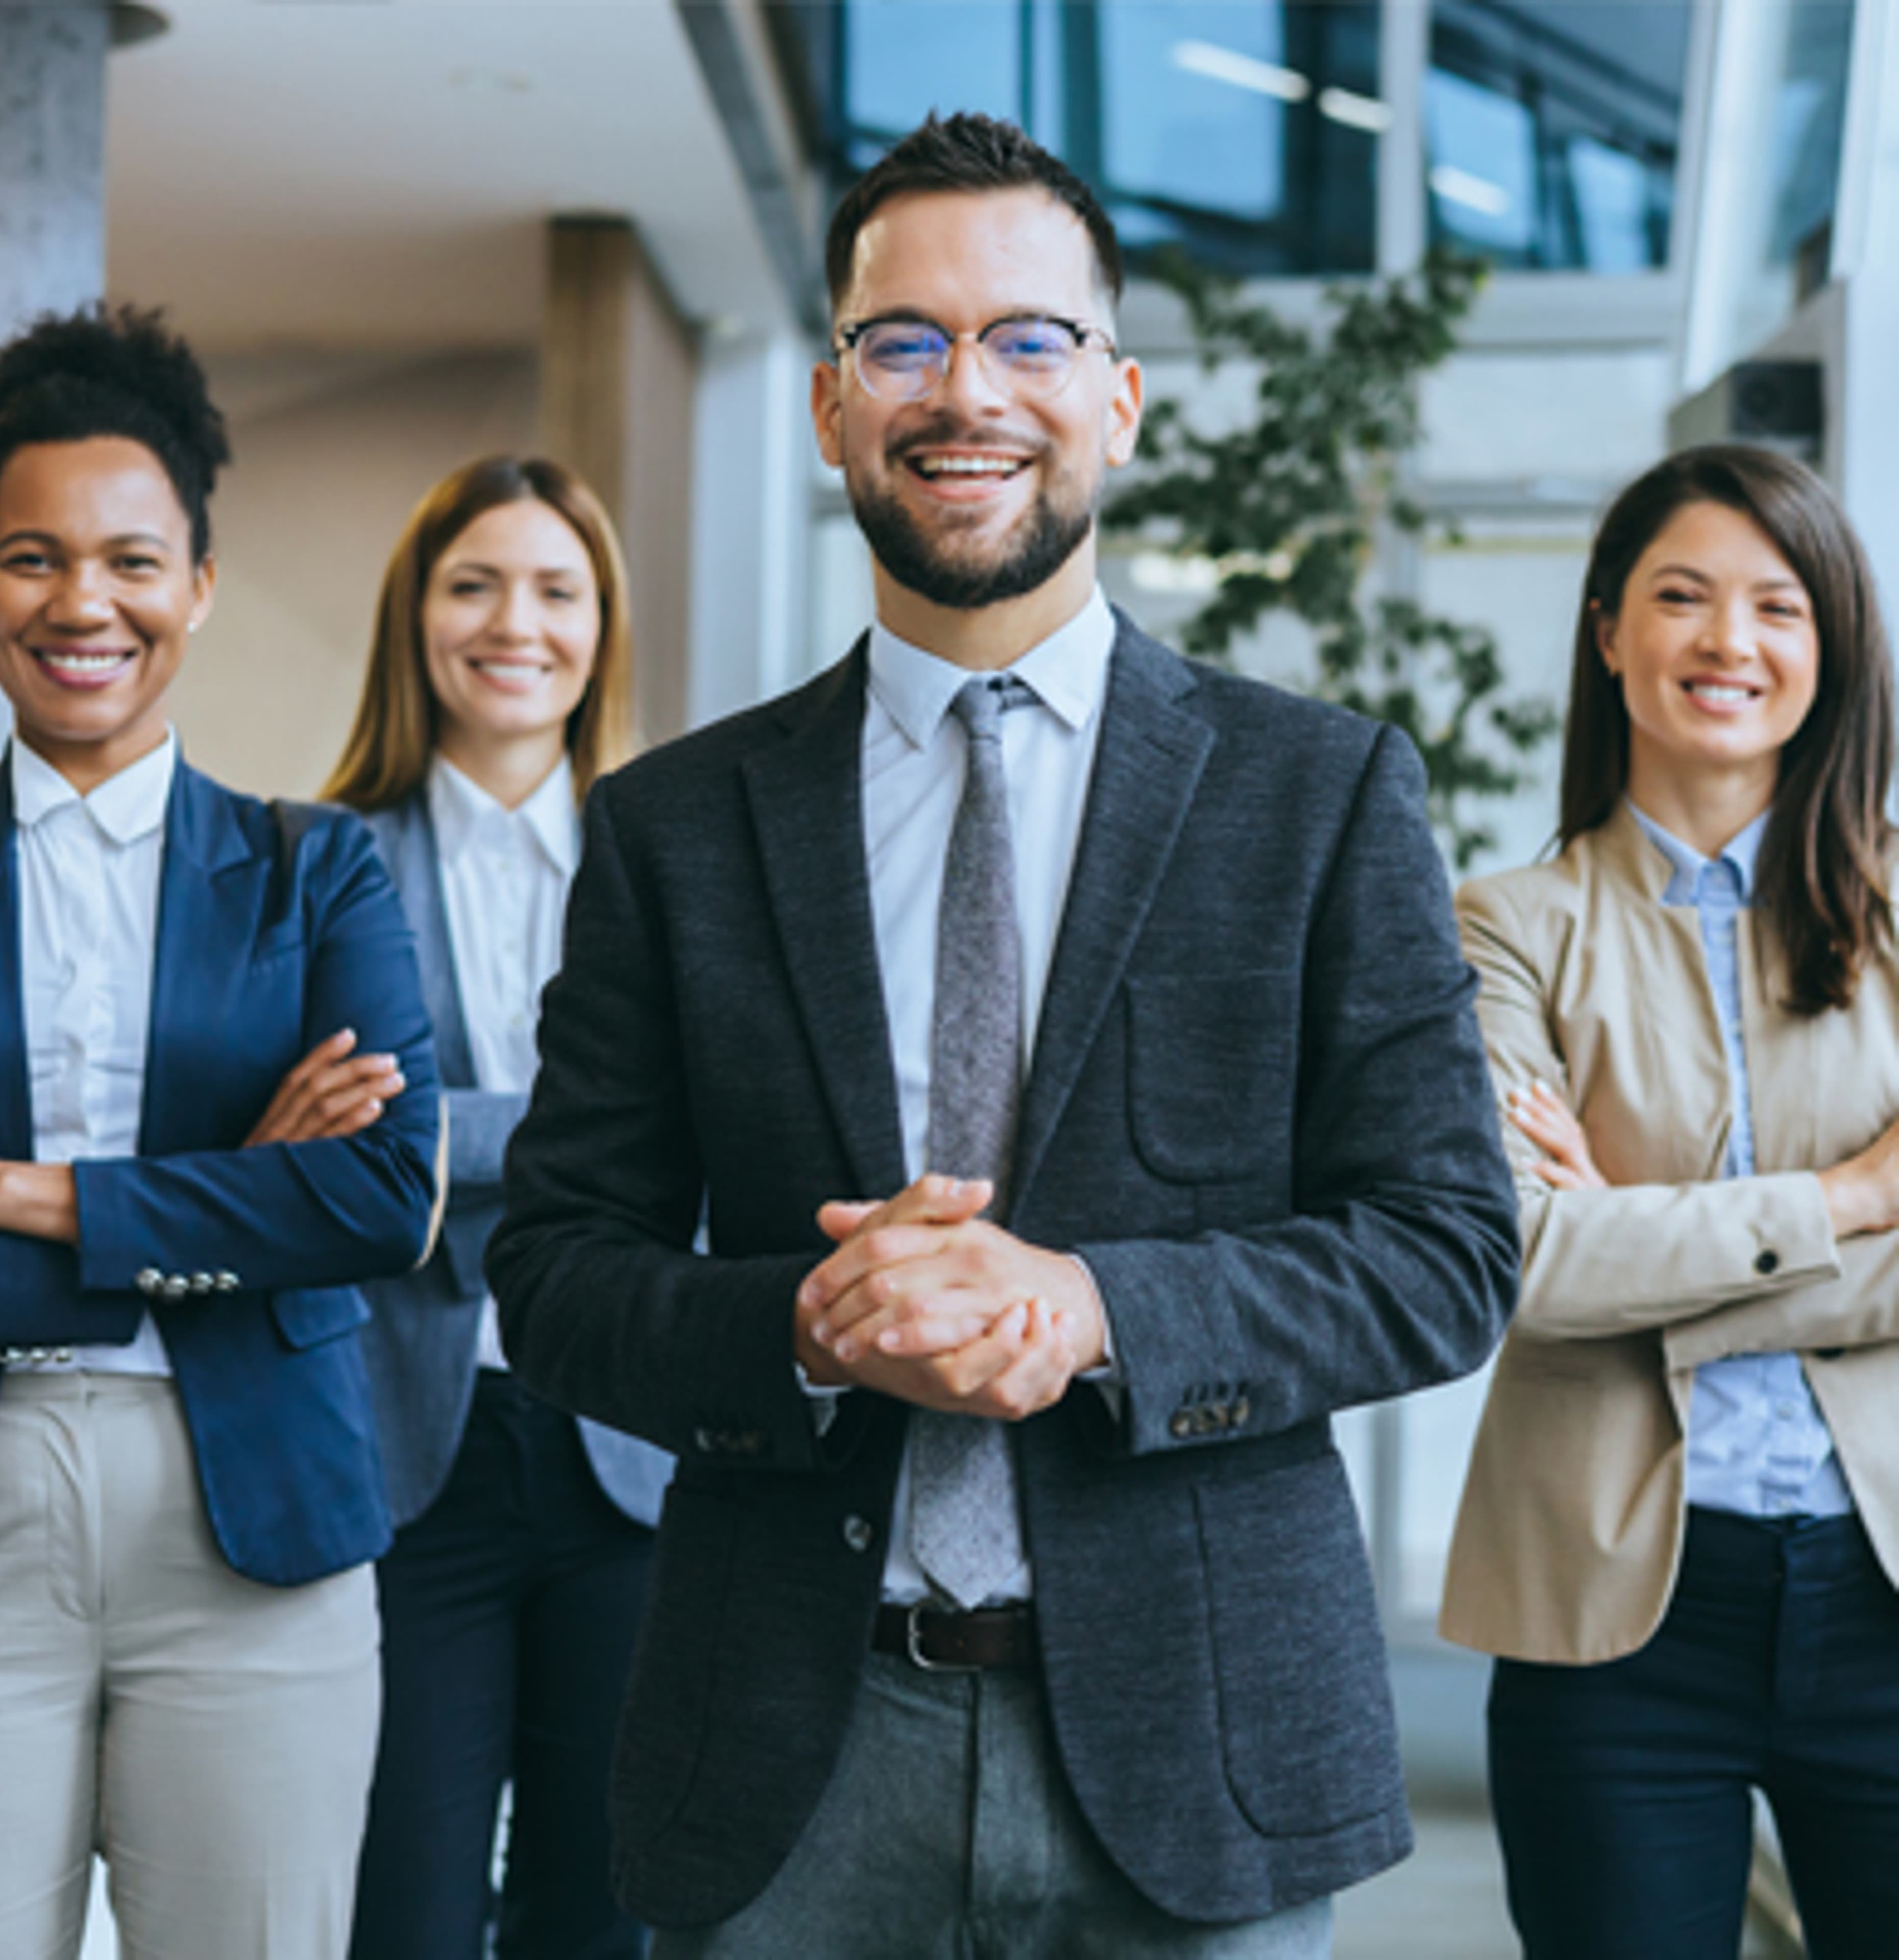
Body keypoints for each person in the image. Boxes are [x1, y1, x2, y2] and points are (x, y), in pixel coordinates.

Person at [489, 112, 1518, 1959]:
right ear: (829, 404)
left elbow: (1445, 1252)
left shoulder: (1319, 795)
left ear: (1117, 401)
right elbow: (558, 1270)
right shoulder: (677, 826)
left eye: (1028, 339)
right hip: (790, 1764)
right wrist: (798, 1327)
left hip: (1198, 1750)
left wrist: (1096, 1310)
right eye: (907, 341)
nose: (968, 391)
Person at [0, 305, 444, 1959]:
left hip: (260, 1520)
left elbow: (378, 1199)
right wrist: (238, 1193)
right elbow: (302, 1214)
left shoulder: (320, 874)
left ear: (200, 588)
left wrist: (0, 1195)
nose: (84, 602)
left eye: (133, 561)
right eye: (32, 556)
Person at [1440, 444, 1899, 1960]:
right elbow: (1528, 1266)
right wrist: (1851, 1196)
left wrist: (1640, 1250)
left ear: (1830, 649)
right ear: (1606, 631)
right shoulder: (1506, 927)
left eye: (1778, 606)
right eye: (1683, 597)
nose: (1729, 643)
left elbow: (1594, 1264)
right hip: (1612, 1619)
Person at [323, 456, 672, 1960]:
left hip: (637, 1459)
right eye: (473, 584)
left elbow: (718, 1148)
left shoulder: (677, 858)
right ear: (417, 618)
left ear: (603, 627)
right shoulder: (322, 862)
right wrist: (603, 1143)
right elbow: (334, 1167)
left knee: (601, 1915)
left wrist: (438, 1137)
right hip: (413, 1460)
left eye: (555, 588)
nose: (511, 622)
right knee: (402, 1909)